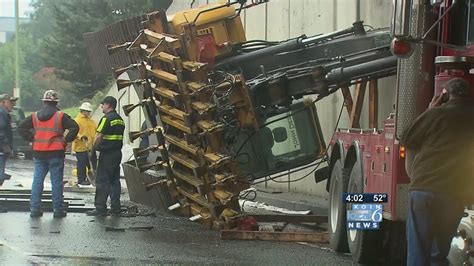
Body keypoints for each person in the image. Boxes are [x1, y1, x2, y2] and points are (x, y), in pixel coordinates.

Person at [402, 77, 474, 266]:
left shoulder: (436, 114)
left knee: (418, 253)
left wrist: (430, 110)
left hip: (423, 190)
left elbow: (407, 137)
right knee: (438, 254)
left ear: (445, 96)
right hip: (454, 194)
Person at [18, 90, 79, 218]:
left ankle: (35, 209)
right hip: (55, 153)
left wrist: (32, 138)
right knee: (56, 182)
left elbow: (21, 127)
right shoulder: (60, 116)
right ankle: (58, 210)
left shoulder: (34, 116)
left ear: (44, 101)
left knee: (37, 181)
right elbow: (75, 127)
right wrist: (66, 140)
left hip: (39, 152)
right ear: (56, 102)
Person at [87, 96, 125, 217]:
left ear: (108, 105)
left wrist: (93, 149)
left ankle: (100, 208)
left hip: (107, 154)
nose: (101, 106)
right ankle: (115, 208)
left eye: (102, 104)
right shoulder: (120, 119)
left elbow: (99, 136)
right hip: (117, 153)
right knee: (115, 181)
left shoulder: (106, 119)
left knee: (103, 181)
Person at [72, 102, 97, 186]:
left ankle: (91, 179)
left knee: (92, 164)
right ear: (83, 111)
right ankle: (81, 179)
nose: (89, 113)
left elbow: (95, 131)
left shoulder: (91, 121)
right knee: (82, 164)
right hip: (80, 146)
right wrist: (81, 137)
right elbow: (74, 132)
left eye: (89, 111)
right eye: (88, 111)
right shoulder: (77, 120)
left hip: (90, 147)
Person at [0, 94, 17, 186]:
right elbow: (0, 130)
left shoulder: (4, 114)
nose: (13, 104)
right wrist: (6, 145)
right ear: (2, 103)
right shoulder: (1, 113)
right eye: (10, 102)